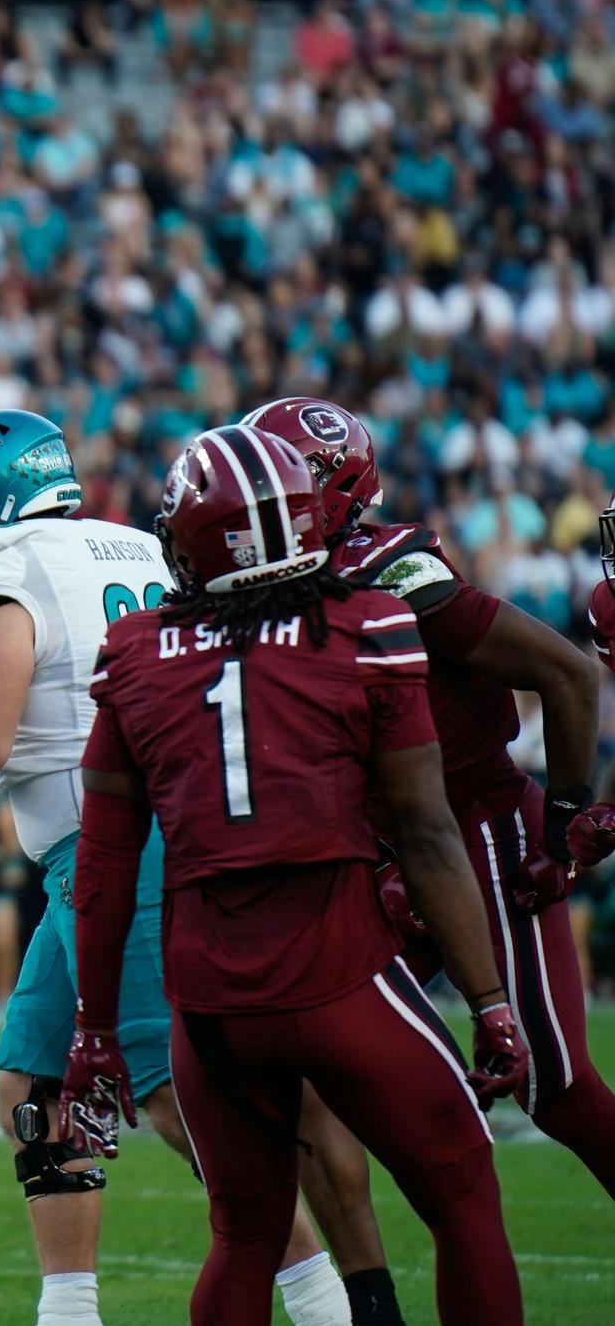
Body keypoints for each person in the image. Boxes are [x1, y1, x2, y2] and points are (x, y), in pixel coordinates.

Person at [59, 422, 530, 1325]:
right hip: (340, 973)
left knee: (244, 1233)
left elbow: (106, 860)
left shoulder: (134, 652)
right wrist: (490, 1000)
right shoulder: (369, 624)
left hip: (211, 1001)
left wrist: (94, 1024)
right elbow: (428, 833)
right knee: (464, 1198)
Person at [0, 411, 353, 1326]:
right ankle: (69, 1310)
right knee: (33, 1085)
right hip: (163, 828)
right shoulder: (134, 545)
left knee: (180, 1100)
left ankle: (324, 1304)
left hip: (113, 852)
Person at [254, 397, 615, 1205]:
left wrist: (559, 821)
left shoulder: (393, 571)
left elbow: (565, 669)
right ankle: (360, 1291)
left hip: (479, 834)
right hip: (380, 856)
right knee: (309, 1080)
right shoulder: (265, 585)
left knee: (555, 1085)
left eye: (274, 479)